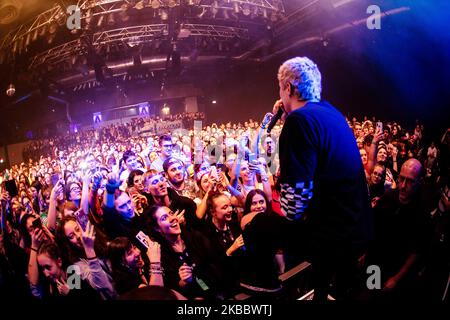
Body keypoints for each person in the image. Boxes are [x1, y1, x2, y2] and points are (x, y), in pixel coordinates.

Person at [273, 56, 372, 300]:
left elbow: (293, 207)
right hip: (356, 231)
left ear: (288, 88)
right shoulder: (330, 112)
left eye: (280, 88)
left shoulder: (299, 121)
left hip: (334, 242)